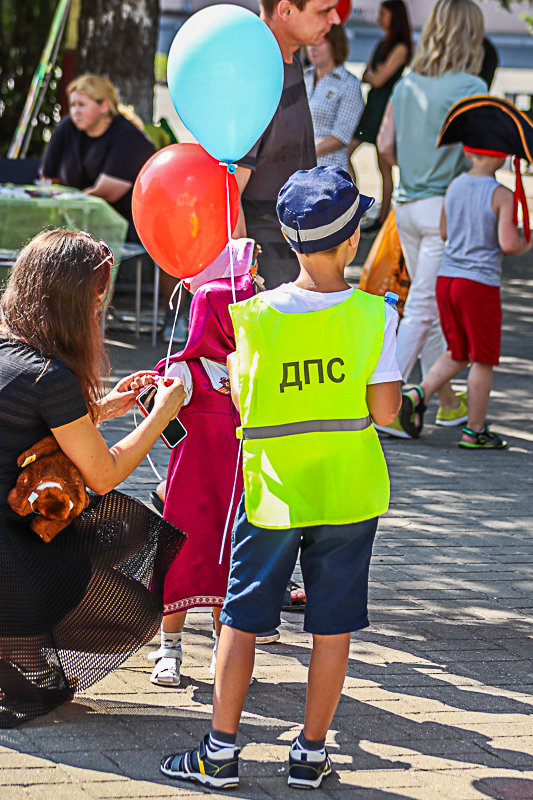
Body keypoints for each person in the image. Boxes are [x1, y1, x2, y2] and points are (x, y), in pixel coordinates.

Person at [159, 166, 402, 790]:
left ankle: (219, 752)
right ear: (352, 243)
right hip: (348, 492)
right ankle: (310, 753)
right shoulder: (377, 317)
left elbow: (244, 401)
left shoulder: (254, 317)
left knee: (241, 619)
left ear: (290, 243)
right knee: (332, 624)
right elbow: (385, 412)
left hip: (270, 493)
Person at [0, 229, 186, 727]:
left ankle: (16, 636)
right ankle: (17, 630)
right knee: (123, 527)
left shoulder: (8, 351)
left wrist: (102, 410)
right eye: (96, 305)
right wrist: (160, 414)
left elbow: (24, 431)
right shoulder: (50, 377)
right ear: (74, 305)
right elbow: (104, 475)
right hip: (9, 553)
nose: (98, 317)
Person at [147, 240, 264, 689]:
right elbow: (162, 418)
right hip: (191, 491)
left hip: (234, 490)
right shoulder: (185, 371)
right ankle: (169, 648)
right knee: (181, 563)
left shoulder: (247, 369)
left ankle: (223, 645)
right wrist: (151, 398)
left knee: (228, 563)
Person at [377, 0, 486, 437]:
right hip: (445, 208)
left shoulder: (407, 84)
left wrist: (416, 165)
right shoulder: (472, 85)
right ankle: (387, 406)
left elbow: (384, 145)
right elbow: (475, 154)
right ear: (470, 36)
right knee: (423, 307)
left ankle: (445, 401)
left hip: (407, 203)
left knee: (431, 306)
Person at [399, 96, 533, 447]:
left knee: (458, 352)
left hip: (447, 280)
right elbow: (507, 243)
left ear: (469, 152)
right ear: (501, 155)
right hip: (478, 285)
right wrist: (524, 242)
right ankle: (475, 430)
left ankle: (418, 394)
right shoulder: (501, 195)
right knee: (483, 360)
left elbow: (444, 232)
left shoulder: (454, 185)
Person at [233, 0, 340, 290]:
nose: (336, 19)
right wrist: (245, 282)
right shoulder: (257, 72)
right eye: (323, 10)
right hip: (267, 271)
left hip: (293, 256)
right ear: (286, 10)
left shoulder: (288, 59)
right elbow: (228, 189)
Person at [42, 74, 155, 242]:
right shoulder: (67, 128)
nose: (75, 111)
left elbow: (105, 193)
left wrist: (67, 204)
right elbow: (48, 178)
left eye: (81, 105)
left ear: (103, 106)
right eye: (72, 105)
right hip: (74, 222)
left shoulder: (129, 137)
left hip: (123, 228)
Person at [347, 0, 412, 230]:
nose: (379, 18)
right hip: (373, 106)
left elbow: (376, 79)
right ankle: (353, 206)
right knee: (348, 152)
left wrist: (374, 75)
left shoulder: (401, 47)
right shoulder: (382, 43)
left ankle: (383, 217)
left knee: (383, 165)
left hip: (385, 110)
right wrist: (374, 75)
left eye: (383, 14)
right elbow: (367, 75)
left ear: (394, 17)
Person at [304, 24, 364, 173]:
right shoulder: (302, 76)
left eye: (320, 42)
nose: (312, 48)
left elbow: (340, 137)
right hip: (296, 171)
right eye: (310, 42)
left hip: (329, 174)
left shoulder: (349, 84)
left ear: (335, 44)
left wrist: (301, 153)